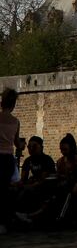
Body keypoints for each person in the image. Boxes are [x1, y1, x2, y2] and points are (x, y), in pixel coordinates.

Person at [0, 88, 24, 234]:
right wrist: (22, 145)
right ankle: (4, 221)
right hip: (8, 158)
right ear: (14, 104)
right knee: (4, 190)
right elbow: (17, 144)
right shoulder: (15, 121)